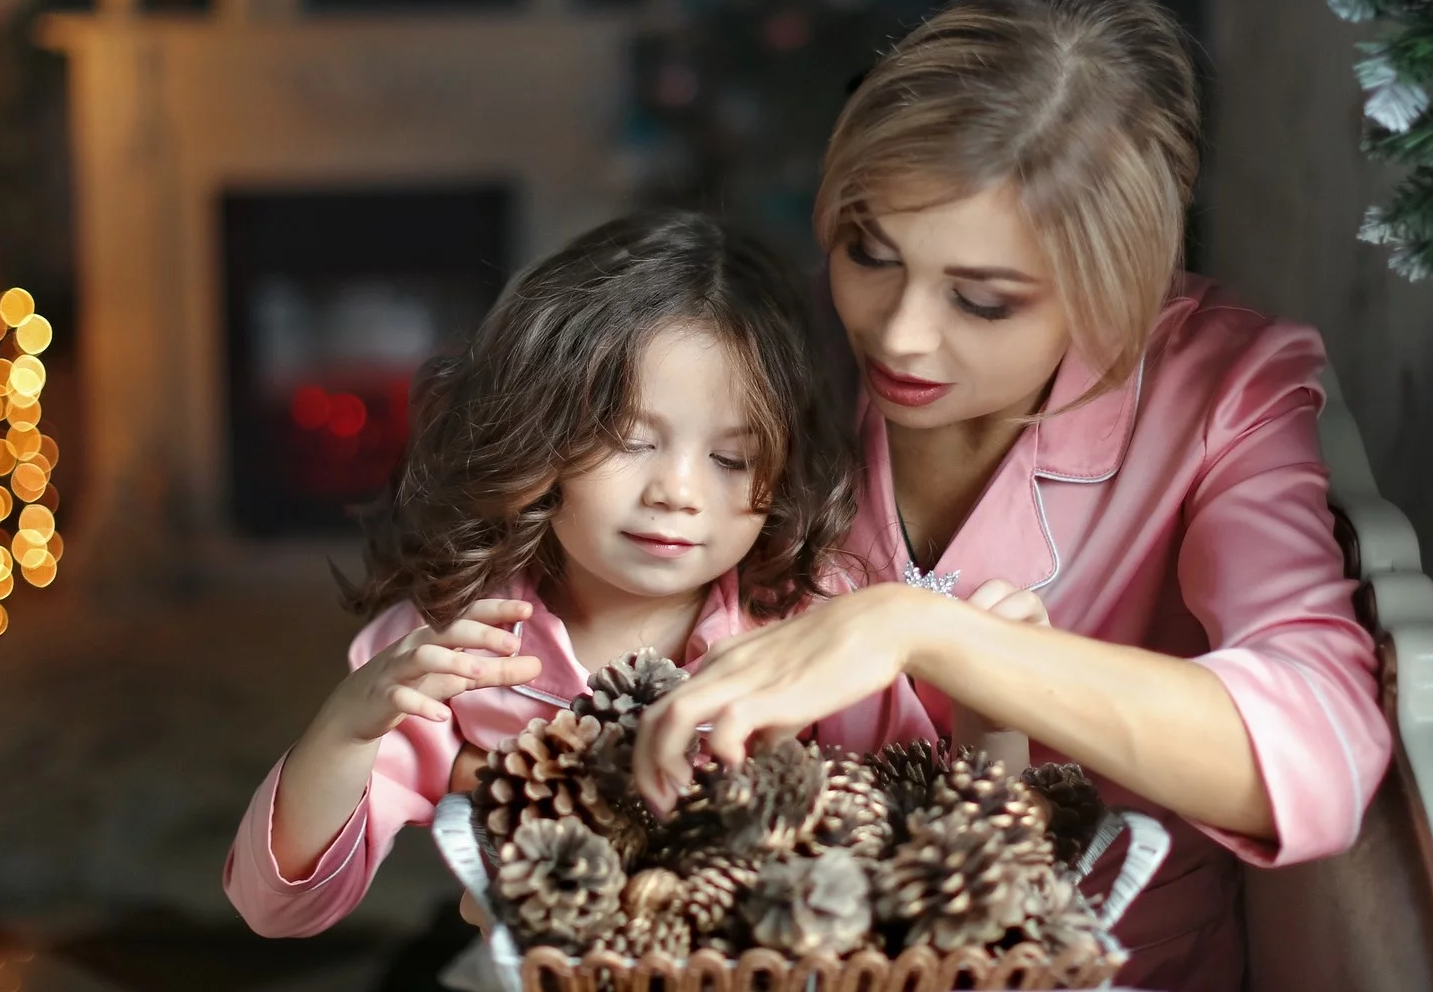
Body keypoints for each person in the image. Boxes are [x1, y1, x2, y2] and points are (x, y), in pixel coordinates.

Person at [630, 0, 1392, 992]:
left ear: (1114, 288)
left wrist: (927, 631)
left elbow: (1319, 750)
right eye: (870, 252)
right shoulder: (764, 355)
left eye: (983, 301)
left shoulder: (1219, 391)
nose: (898, 333)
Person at [221, 210, 940, 939]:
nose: (679, 492)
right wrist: (346, 729)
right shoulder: (454, 646)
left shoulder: (815, 623)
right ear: (541, 430)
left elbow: (938, 852)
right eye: (631, 440)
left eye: (731, 460)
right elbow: (276, 907)